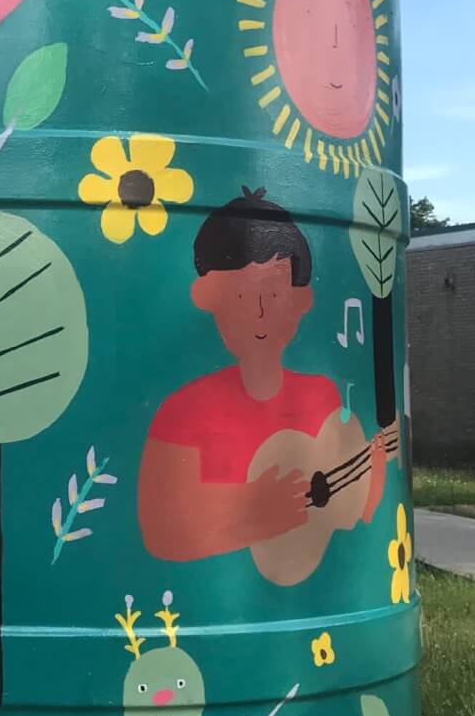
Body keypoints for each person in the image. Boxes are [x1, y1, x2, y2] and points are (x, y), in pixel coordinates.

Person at [138, 188, 390, 567]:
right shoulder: (184, 412)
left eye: (272, 294)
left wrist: (375, 473)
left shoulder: (322, 397)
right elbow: (161, 533)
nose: (258, 312)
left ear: (299, 300)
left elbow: (351, 514)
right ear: (208, 297)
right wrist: (253, 512)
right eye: (241, 295)